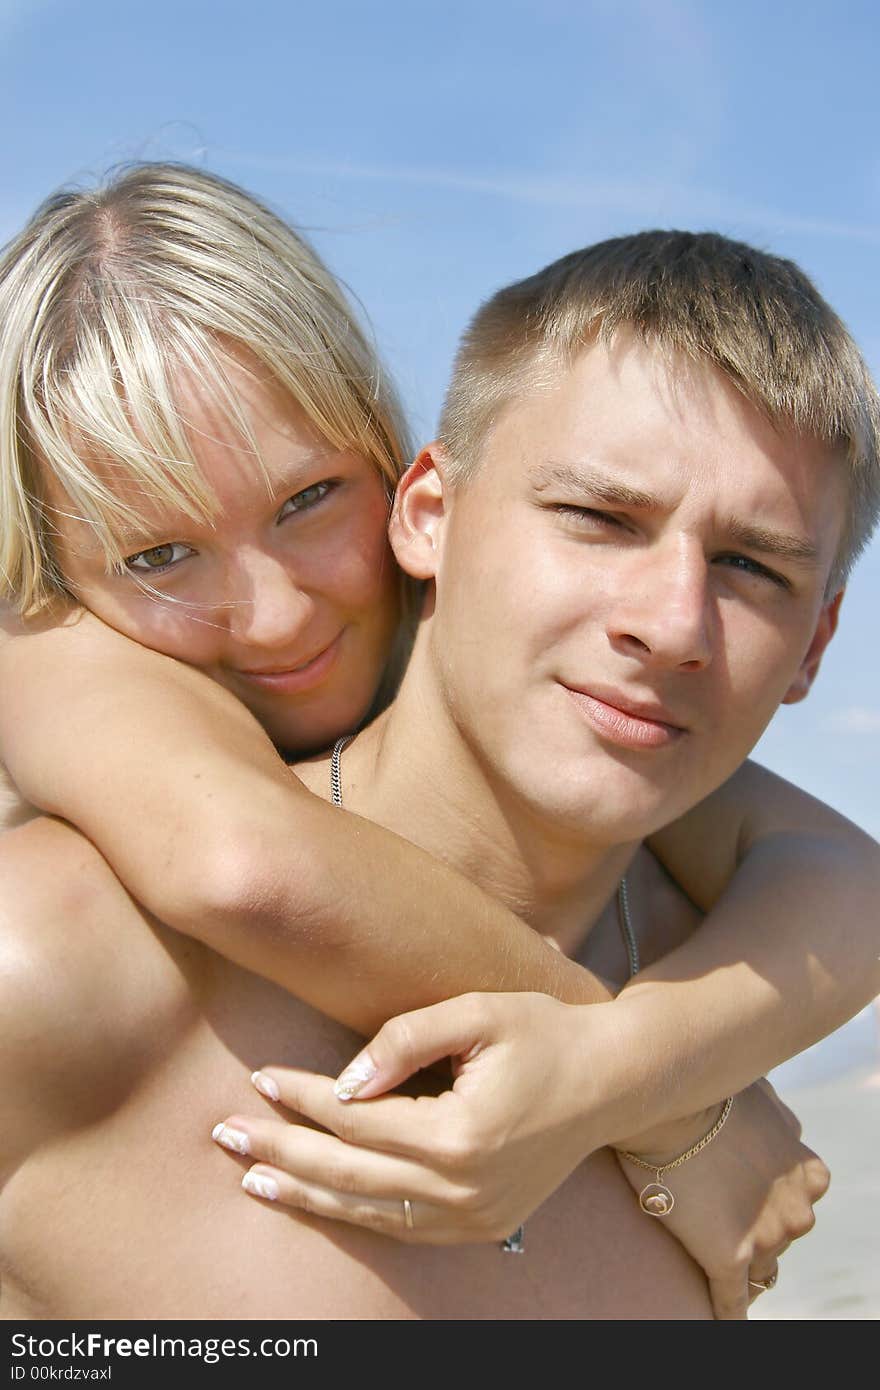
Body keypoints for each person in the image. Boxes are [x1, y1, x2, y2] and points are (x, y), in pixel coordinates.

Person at [0, 170, 875, 1315]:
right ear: (435, 511)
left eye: (311, 498)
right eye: (597, 517)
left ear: (402, 495)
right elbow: (237, 860)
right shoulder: (55, 931)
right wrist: (662, 1101)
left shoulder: (711, 957)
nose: (276, 618)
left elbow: (847, 879)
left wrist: (633, 1073)